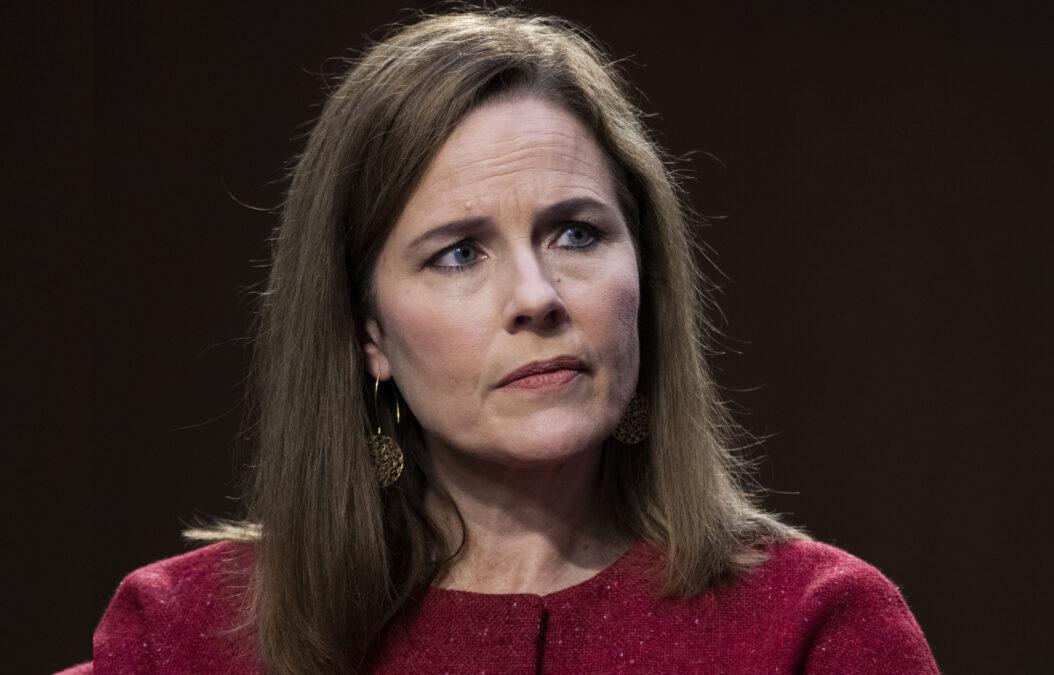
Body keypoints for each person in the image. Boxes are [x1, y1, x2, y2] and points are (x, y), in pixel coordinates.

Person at [74, 9, 938, 674]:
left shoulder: (817, 628)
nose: (537, 297)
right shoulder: (187, 635)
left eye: (576, 234)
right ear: (368, 333)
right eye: (459, 253)